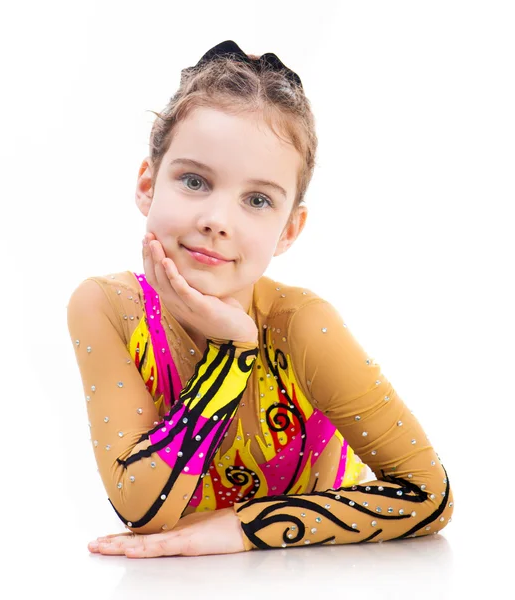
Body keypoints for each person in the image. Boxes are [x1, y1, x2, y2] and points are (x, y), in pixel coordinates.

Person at [67, 40, 454, 558]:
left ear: (289, 229)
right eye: (194, 180)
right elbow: (143, 507)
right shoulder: (105, 308)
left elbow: (429, 495)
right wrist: (231, 355)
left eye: (257, 200)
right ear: (147, 183)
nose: (217, 221)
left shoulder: (302, 324)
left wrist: (245, 527)